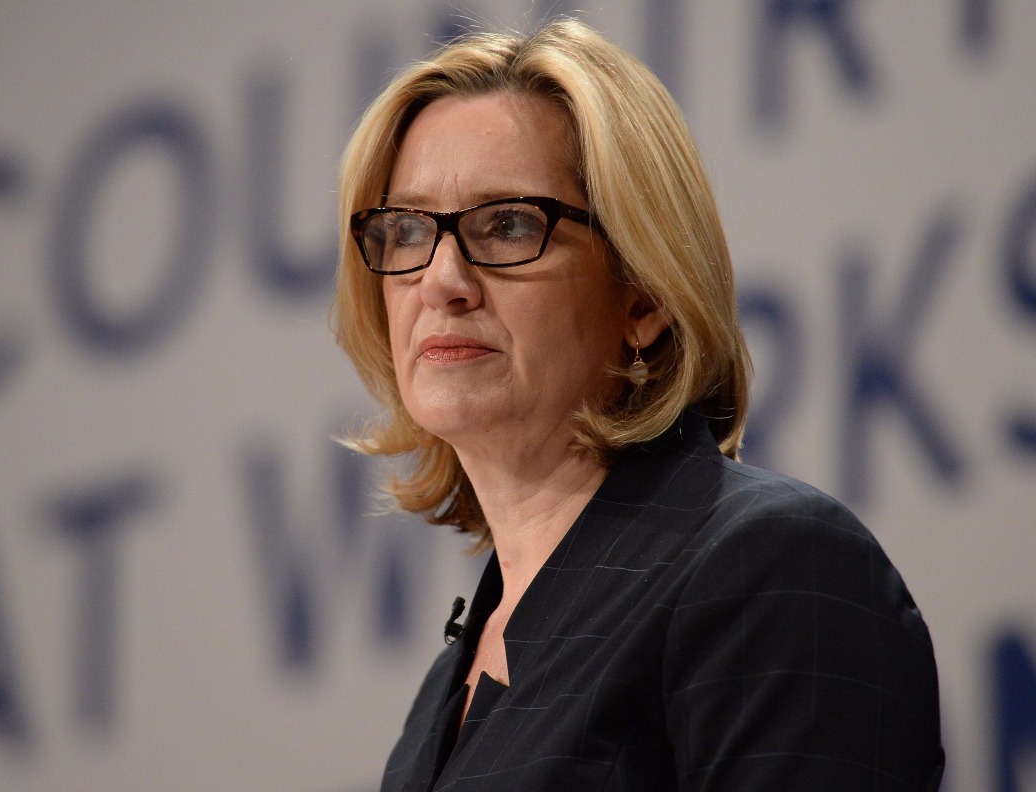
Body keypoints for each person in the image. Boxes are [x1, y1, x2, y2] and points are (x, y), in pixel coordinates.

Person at [331, 17, 944, 792]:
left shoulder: (771, 570)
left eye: (508, 225)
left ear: (645, 295)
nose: (441, 281)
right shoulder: (440, 697)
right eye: (407, 230)